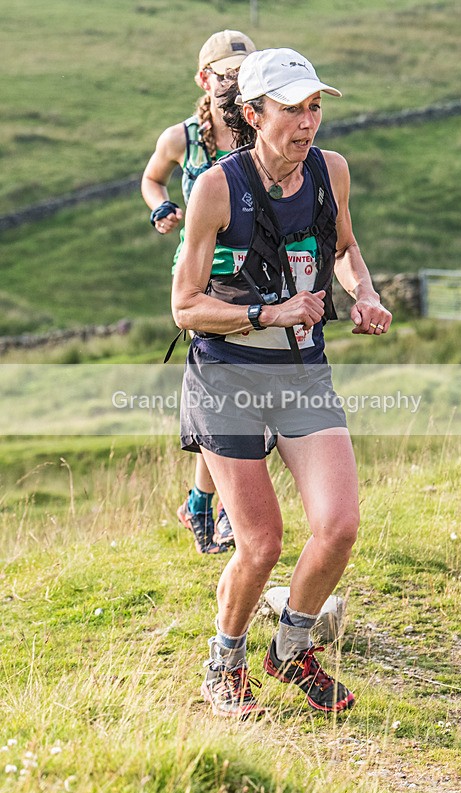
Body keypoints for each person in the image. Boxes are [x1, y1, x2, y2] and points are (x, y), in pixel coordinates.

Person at [171, 47, 392, 719]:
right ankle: (224, 663)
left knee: (338, 525)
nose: (306, 123)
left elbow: (345, 248)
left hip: (301, 372)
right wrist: (266, 311)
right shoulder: (216, 187)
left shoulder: (331, 172)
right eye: (291, 110)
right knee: (261, 543)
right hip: (228, 375)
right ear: (252, 113)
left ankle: (291, 650)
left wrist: (365, 293)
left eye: (314, 107)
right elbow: (184, 308)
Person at [141, 30, 256, 555]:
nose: (233, 83)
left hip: (253, 276)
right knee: (230, 395)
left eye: (242, 73)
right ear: (203, 78)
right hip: (197, 282)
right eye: (225, 74)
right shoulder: (181, 137)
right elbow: (152, 179)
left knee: (228, 397)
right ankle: (224, 507)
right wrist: (160, 207)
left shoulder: (259, 129)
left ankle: (201, 503)